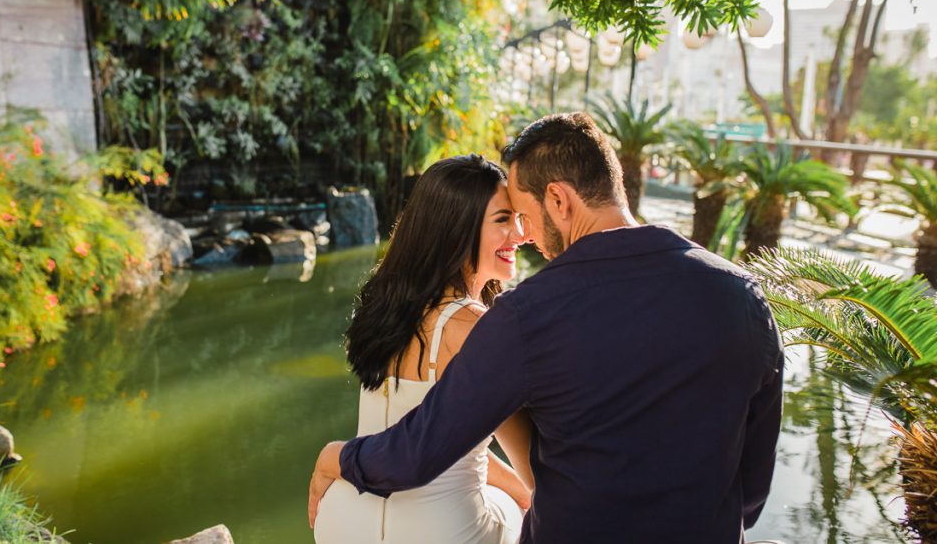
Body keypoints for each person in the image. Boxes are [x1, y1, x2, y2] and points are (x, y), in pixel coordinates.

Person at [309, 112, 783, 544]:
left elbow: (420, 451)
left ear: (558, 199)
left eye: (526, 217)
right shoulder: (744, 296)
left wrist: (339, 455)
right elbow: (752, 490)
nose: (526, 236)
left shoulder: (526, 314)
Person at [313, 154, 532, 544]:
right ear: (457, 231)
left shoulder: (387, 308)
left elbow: (452, 448)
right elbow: (529, 459)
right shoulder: (475, 328)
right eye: (502, 220)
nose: (519, 234)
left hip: (344, 516)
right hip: (436, 530)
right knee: (520, 515)